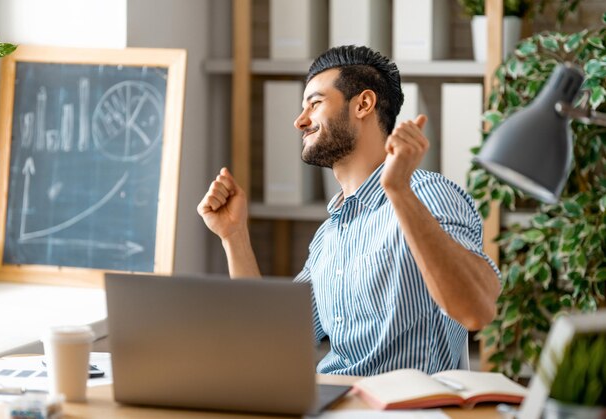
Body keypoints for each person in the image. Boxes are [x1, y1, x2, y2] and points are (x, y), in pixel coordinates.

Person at [197, 45, 501, 376]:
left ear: (363, 104)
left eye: (315, 103)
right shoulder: (330, 235)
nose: (300, 121)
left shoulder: (427, 193)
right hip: (330, 401)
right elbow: (270, 343)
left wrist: (397, 188)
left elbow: (476, 310)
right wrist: (233, 235)